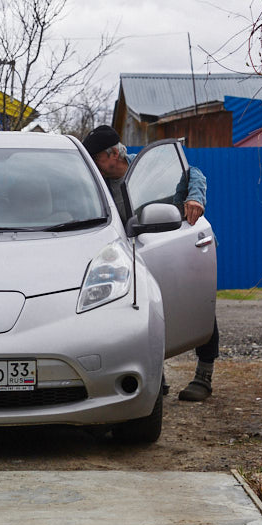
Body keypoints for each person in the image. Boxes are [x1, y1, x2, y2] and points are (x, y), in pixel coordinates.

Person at [81, 125, 219, 402]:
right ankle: (157, 375)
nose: (92, 166)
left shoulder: (150, 170)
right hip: (127, 257)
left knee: (195, 306)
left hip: (168, 247)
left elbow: (194, 173)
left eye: (95, 158)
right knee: (140, 316)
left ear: (112, 154)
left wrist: (194, 197)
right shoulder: (97, 186)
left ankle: (204, 375)